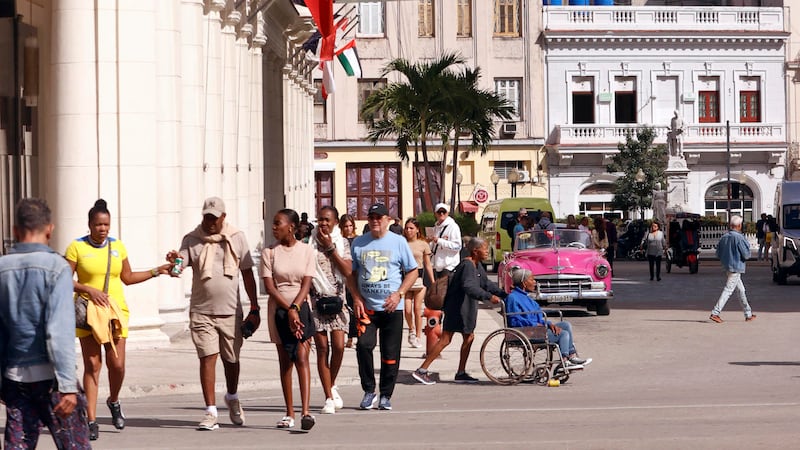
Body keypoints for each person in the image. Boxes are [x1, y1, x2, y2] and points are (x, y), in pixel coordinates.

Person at [66, 199, 171, 440]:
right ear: (90, 225)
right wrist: (88, 289)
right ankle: (91, 419)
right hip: (87, 314)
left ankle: (113, 400)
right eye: (98, 225)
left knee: (117, 365)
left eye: (106, 225)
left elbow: (128, 277)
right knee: (92, 366)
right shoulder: (76, 247)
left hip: (115, 314)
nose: (102, 229)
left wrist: (158, 270)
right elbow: (64, 278)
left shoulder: (117, 247)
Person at [0, 198, 91, 449]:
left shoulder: (2, 268)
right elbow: (59, 329)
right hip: (51, 380)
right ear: (50, 229)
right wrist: (68, 385)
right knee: (74, 444)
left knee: (18, 444)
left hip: (15, 378)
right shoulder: (56, 268)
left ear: (15, 231)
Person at [168, 196, 259, 431]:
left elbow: (247, 274)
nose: (210, 222)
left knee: (231, 360)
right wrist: (173, 262)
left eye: (214, 218)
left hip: (230, 311)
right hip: (202, 311)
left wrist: (255, 307)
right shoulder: (192, 239)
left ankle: (232, 396)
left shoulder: (236, 238)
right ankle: (210, 411)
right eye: (206, 217)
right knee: (208, 357)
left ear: (223, 217)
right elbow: (178, 267)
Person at [348, 203, 418, 411]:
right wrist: (356, 298)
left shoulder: (398, 242)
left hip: (392, 309)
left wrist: (399, 294)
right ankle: (369, 390)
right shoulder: (359, 244)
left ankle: (386, 394)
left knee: (390, 354)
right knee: (363, 346)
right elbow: (351, 275)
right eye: (371, 217)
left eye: (379, 217)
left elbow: (413, 271)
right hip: (367, 309)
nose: (375, 221)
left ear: (388, 220)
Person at [412, 238, 504, 385]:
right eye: (485, 248)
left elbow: (486, 284)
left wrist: (503, 293)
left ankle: (461, 372)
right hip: (458, 308)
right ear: (475, 251)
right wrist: (488, 297)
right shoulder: (467, 265)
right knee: (446, 339)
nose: (487, 251)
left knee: (468, 337)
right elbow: (469, 287)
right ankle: (421, 370)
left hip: (465, 308)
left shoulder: (476, 265)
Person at [261, 209, 317, 430]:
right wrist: (288, 309)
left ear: (291, 227)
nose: (274, 227)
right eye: (273, 224)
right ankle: (289, 412)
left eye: (278, 223)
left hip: (301, 308)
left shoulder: (306, 251)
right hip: (279, 311)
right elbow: (270, 286)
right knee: (285, 360)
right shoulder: (269, 253)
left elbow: (306, 283)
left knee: (302, 356)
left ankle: (306, 412)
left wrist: (296, 308)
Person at [309, 206, 351, 415]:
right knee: (323, 349)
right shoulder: (308, 244)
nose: (323, 223)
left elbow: (347, 271)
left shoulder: (342, 244)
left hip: (338, 301)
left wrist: (330, 248)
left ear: (335, 222)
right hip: (316, 302)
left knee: (339, 346)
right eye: (320, 220)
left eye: (327, 220)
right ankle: (327, 395)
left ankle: (331, 383)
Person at [503, 267, 590, 367]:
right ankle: (565, 360)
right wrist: (536, 324)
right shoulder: (512, 298)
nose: (535, 282)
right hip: (526, 332)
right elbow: (515, 321)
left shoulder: (529, 299)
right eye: (532, 279)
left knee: (566, 325)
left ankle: (571, 356)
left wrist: (548, 324)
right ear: (524, 283)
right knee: (563, 334)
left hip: (536, 329)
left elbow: (539, 317)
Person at [710, 215, 756, 323]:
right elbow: (746, 254)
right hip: (736, 267)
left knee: (741, 290)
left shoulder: (724, 237)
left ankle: (748, 313)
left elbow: (718, 254)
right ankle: (715, 312)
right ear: (739, 225)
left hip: (727, 266)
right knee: (728, 290)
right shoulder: (739, 238)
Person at [403, 217, 435, 349]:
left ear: (417, 229)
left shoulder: (423, 244)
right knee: (407, 309)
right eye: (407, 228)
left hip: (419, 280)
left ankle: (418, 336)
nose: (408, 230)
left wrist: (433, 282)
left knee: (417, 309)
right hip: (405, 279)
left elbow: (428, 265)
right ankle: (411, 330)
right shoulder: (402, 243)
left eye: (411, 228)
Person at [339, 214, 359, 348]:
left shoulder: (358, 240)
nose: (348, 228)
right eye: (346, 226)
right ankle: (349, 335)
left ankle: (356, 334)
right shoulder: (339, 241)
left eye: (350, 225)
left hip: (356, 276)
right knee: (347, 307)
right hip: (343, 277)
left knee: (356, 305)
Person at [428, 202, 462, 279]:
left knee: (444, 290)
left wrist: (440, 241)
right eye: (439, 212)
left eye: (444, 212)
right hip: (437, 266)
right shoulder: (435, 227)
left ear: (447, 213)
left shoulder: (453, 227)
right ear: (435, 214)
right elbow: (433, 247)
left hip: (449, 267)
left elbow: (458, 247)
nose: (442, 214)